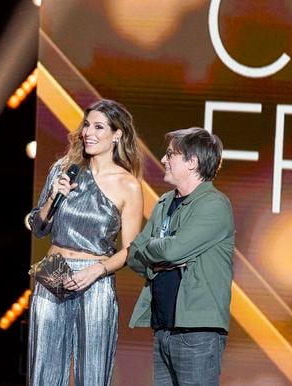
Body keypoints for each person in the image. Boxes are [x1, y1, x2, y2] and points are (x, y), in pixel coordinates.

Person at [27, 99, 144, 386]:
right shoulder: (64, 170)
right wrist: (54, 195)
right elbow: (39, 227)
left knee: (91, 373)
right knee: (44, 370)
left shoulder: (128, 185)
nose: (88, 132)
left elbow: (131, 250)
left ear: (117, 135)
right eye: (87, 125)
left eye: (98, 127)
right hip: (53, 270)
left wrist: (97, 270)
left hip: (95, 279)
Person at [127, 127, 235, 386]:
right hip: (163, 328)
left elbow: (173, 250)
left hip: (197, 333)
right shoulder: (165, 202)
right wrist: (163, 260)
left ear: (192, 162)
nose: (163, 160)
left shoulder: (214, 205)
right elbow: (134, 253)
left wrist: (161, 252)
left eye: (170, 155)